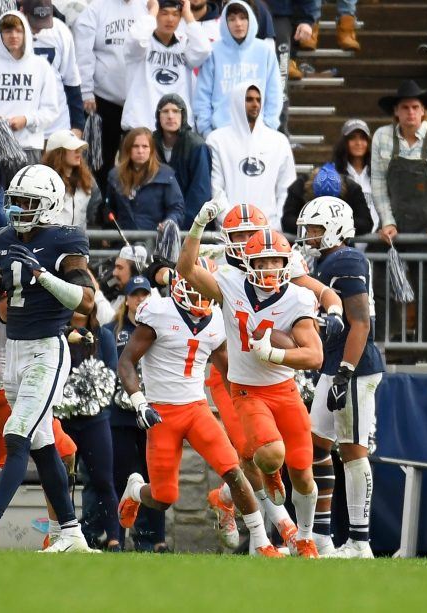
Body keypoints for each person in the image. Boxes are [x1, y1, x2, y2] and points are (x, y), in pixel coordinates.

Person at [178, 199, 325, 558]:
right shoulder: (229, 283)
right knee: (270, 455)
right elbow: (185, 268)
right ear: (249, 262)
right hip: (247, 389)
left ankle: (305, 536)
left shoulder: (297, 297)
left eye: (276, 261)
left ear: (287, 263)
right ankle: (269, 477)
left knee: (304, 473)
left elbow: (315, 355)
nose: (270, 268)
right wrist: (197, 225)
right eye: (262, 261)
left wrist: (274, 354)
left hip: (284, 387)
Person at [117, 258, 282, 557]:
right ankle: (135, 491)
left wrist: (252, 399)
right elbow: (126, 361)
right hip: (162, 413)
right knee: (164, 496)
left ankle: (262, 542)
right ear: (179, 286)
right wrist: (139, 402)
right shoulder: (158, 312)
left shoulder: (216, 318)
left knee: (233, 470)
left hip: (196, 409)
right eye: (194, 290)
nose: (200, 300)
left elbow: (229, 370)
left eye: (204, 292)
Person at [0, 164, 96, 552]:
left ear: (49, 205)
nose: (18, 209)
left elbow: (87, 300)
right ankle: (72, 533)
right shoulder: (5, 238)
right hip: (13, 352)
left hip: (47, 348)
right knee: (44, 445)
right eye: (15, 201)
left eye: (27, 202)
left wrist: (42, 275)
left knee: (17, 433)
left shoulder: (65, 238)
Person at [296, 196, 384, 558]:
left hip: (354, 367)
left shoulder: (346, 259)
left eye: (315, 229)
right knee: (315, 446)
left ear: (335, 228)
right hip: (335, 366)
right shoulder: (331, 261)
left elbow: (360, 323)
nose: (310, 236)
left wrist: (346, 373)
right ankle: (319, 535)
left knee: (352, 449)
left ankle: (360, 542)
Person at [0, 294, 77, 549]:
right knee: (60, 451)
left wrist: (68, 331)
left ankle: (56, 532)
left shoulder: (26, 312)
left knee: (64, 453)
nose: (15, 304)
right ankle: (58, 532)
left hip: (2, 401)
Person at [371, 79, 427, 344]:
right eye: (405, 107)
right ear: (396, 112)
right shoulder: (382, 137)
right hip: (395, 230)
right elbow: (378, 185)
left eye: (415, 107)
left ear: (423, 111)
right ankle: (380, 345)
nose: (410, 113)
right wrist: (387, 221)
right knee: (378, 283)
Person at [104, 274, 167, 553]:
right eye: (135, 294)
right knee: (121, 476)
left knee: (155, 478)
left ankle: (154, 539)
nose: (140, 299)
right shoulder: (111, 329)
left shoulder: (162, 328)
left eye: (145, 295)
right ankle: (117, 537)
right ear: (127, 299)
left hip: (152, 415)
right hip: (120, 416)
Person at [59, 304, 121, 551]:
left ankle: (114, 539)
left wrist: (90, 393)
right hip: (64, 420)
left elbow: (111, 372)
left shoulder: (103, 335)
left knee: (103, 480)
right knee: (61, 481)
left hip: (96, 420)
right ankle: (63, 536)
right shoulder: (57, 334)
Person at [72, 0, 148, 195]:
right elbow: (83, 53)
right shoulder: (95, 9)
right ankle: (100, 207)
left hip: (138, 100)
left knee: (138, 158)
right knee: (101, 160)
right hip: (103, 98)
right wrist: (86, 90)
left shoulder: (147, 7)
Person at [0, 11, 58, 169]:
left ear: (26, 32)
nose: (13, 35)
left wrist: (26, 120)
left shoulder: (41, 67)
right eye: (7, 31)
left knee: (23, 194)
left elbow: (50, 110)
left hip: (27, 148)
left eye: (18, 30)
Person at [207, 82, 295, 231]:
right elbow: (216, 189)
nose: (255, 104)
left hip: (269, 233)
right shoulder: (217, 140)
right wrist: (232, 224)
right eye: (249, 99)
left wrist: (276, 225)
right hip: (230, 234)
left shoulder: (279, 141)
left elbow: (286, 188)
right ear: (236, 101)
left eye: (258, 100)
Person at [193, 0, 282, 137]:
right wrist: (206, 130)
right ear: (224, 22)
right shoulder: (214, 52)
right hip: (220, 133)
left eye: (243, 18)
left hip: (259, 133)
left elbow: (274, 92)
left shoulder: (265, 51)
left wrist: (269, 126)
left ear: (251, 19)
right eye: (232, 19)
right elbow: (202, 94)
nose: (238, 24)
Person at [121, 0, 211, 133]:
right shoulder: (142, 46)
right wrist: (152, 10)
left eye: (175, 14)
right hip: (142, 128)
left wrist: (188, 15)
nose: (170, 19)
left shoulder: (184, 47)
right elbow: (136, 39)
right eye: (164, 13)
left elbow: (203, 49)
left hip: (178, 128)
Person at [17, 0, 84, 138]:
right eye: (35, 22)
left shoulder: (60, 31)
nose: (39, 28)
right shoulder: (5, 31)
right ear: (22, 11)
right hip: (19, 129)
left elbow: (71, 80)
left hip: (56, 128)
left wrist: (77, 124)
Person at [105, 127, 184, 231]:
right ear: (128, 149)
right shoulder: (115, 176)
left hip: (155, 240)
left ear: (151, 150)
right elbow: (109, 209)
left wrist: (169, 222)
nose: (140, 151)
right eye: (135, 146)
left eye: (145, 146)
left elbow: (176, 208)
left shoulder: (166, 175)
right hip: (123, 241)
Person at [152, 93, 211, 231]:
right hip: (156, 224)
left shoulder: (197, 146)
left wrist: (181, 224)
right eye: (165, 111)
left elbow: (200, 192)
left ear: (183, 116)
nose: (170, 116)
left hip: (189, 225)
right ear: (158, 116)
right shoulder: (149, 144)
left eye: (175, 111)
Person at [282, 162, 372, 237]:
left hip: (340, 241)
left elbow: (366, 224)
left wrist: (336, 225)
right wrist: (314, 226)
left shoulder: (352, 189)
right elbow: (287, 221)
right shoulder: (299, 187)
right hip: (307, 241)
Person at [41, 129, 102, 229]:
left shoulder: (88, 180)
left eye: (79, 147)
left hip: (79, 242)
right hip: (51, 242)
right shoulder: (42, 181)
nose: (78, 151)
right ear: (58, 153)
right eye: (72, 148)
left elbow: (94, 213)